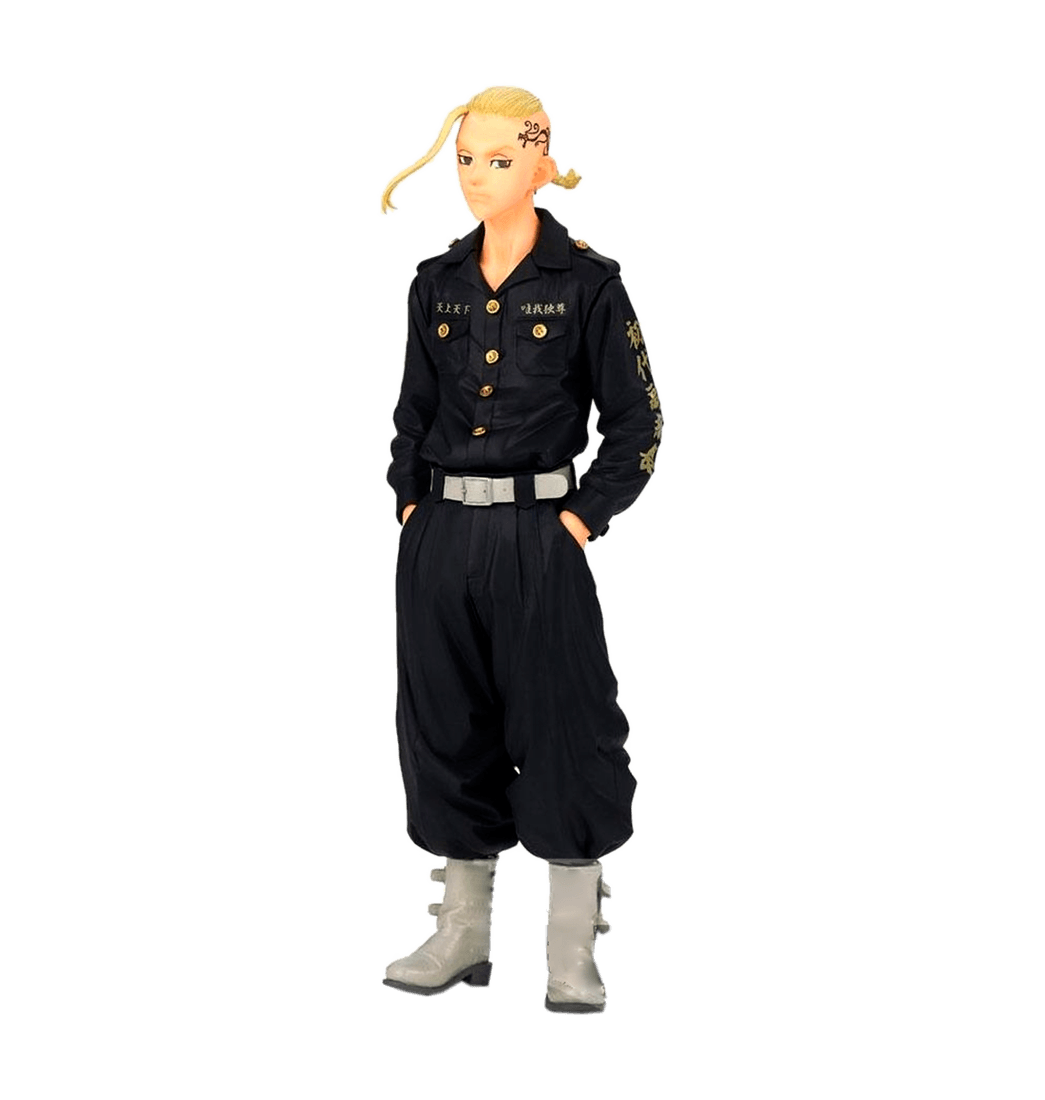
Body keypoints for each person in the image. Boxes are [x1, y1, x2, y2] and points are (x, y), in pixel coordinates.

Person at [378, 83, 664, 1016]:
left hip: (541, 536)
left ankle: (571, 945)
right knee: (441, 723)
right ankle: (460, 931)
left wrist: (580, 517)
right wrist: (410, 505)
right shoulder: (435, 281)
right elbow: (413, 410)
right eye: (464, 159)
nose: (475, 177)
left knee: (564, 723)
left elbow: (638, 422)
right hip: (439, 536)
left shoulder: (588, 282)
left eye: (499, 160)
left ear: (541, 164)